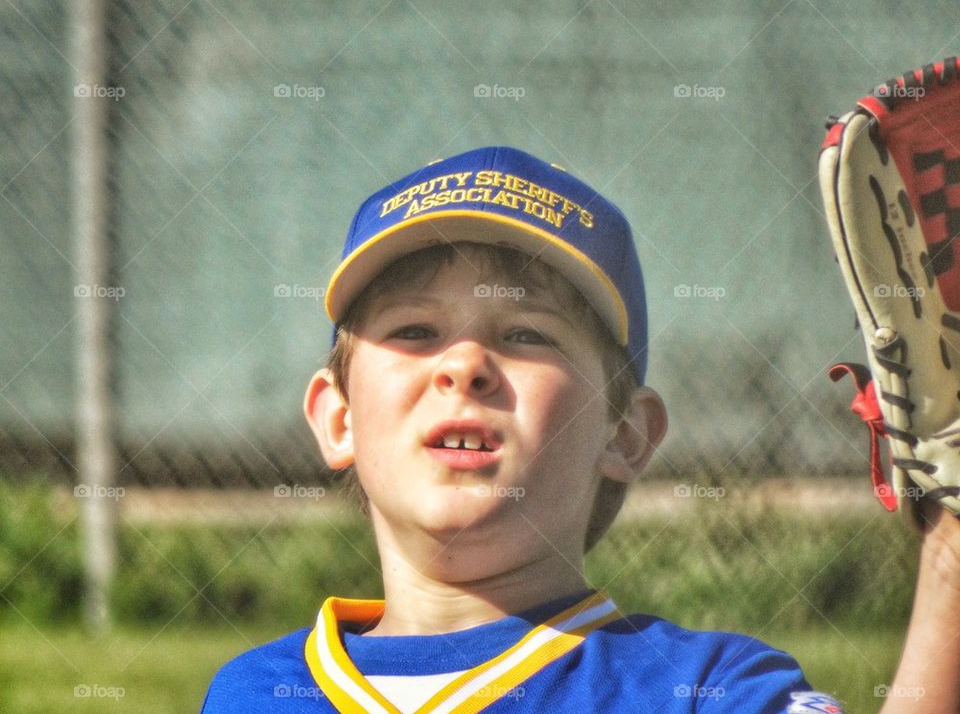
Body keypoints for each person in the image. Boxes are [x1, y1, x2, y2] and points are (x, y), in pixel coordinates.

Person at [200, 146, 960, 713]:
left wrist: (951, 542)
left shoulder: (703, 688)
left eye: (528, 333)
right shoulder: (254, 692)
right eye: (415, 329)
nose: (464, 364)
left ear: (625, 432)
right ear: (338, 418)